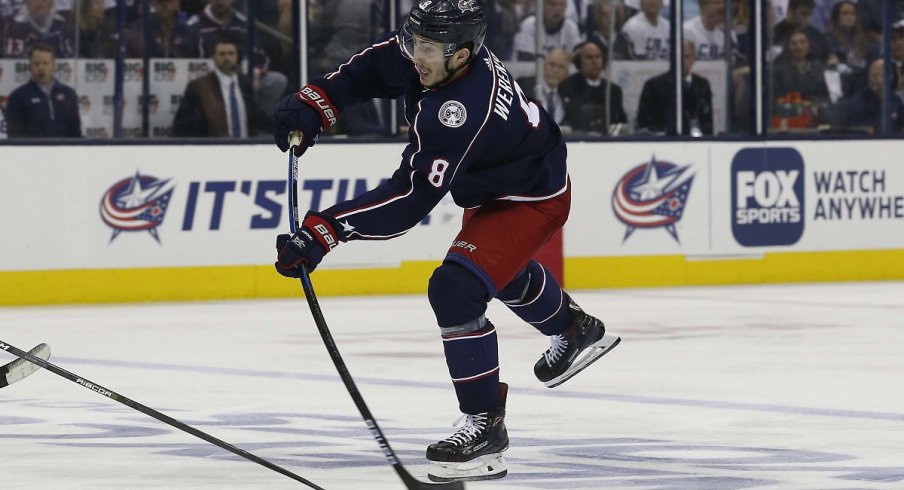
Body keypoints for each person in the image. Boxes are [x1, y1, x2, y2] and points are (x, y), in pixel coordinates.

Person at [270, 0, 621, 482]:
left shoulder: (458, 111)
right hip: (502, 176)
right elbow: (374, 68)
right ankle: (575, 330)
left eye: (429, 49)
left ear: (461, 55)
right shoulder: (436, 54)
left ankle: (484, 426)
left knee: (456, 289)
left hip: (531, 195)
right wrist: (318, 101)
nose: (416, 56)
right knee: (496, 270)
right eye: (415, 42)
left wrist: (325, 231)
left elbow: (409, 199)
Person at [187, 0, 288, 113]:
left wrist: (257, 72)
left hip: (243, 77)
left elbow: (261, 56)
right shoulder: (195, 25)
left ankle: (260, 123)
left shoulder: (243, 23)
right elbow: (190, 62)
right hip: (209, 80)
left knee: (277, 81)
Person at [172, 36, 269, 137]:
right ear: (213, 58)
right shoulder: (199, 87)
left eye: (231, 53)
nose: (227, 57)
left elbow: (257, 117)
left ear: (237, 57)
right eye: (222, 54)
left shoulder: (245, 83)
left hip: (246, 148)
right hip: (215, 149)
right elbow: (182, 126)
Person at [636, 40, 713, 135]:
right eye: (679, 57)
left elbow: (707, 122)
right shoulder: (653, 85)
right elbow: (644, 122)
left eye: (686, 57)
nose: (682, 61)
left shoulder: (702, 85)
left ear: (694, 59)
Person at [4, 43, 80, 137]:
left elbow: (76, 131)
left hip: (64, 150)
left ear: (54, 66)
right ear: (29, 68)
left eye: (45, 63)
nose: (41, 68)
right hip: (32, 150)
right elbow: (15, 134)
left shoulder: (69, 94)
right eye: (36, 64)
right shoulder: (18, 97)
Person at [559, 39, 628, 134]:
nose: (594, 61)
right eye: (589, 57)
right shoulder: (568, 86)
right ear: (579, 62)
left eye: (598, 57)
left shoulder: (613, 90)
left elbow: (620, 122)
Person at [828, 59, 904, 133]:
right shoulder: (858, 103)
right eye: (874, 76)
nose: (878, 80)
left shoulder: (896, 100)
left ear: (890, 77)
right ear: (868, 77)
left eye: (883, 75)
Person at [516, 47, 571, 125]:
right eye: (552, 65)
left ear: (566, 73)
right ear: (543, 66)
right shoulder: (523, 85)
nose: (555, 71)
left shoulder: (569, 93)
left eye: (561, 67)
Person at [125, 0, 199, 58]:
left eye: (169, 1)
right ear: (154, 3)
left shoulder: (186, 30)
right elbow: (138, 52)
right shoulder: (141, 27)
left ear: (177, 2)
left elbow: (191, 57)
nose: (165, 6)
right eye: (160, 2)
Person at [512, 0, 582, 61]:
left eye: (561, 5)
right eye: (553, 4)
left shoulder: (570, 26)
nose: (558, 9)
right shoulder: (529, 24)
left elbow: (576, 56)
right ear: (542, 6)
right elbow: (526, 57)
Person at [1, 0, 74, 57]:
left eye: (43, 0)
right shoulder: (11, 27)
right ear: (26, 3)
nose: (39, 3)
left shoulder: (65, 24)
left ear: (52, 3)